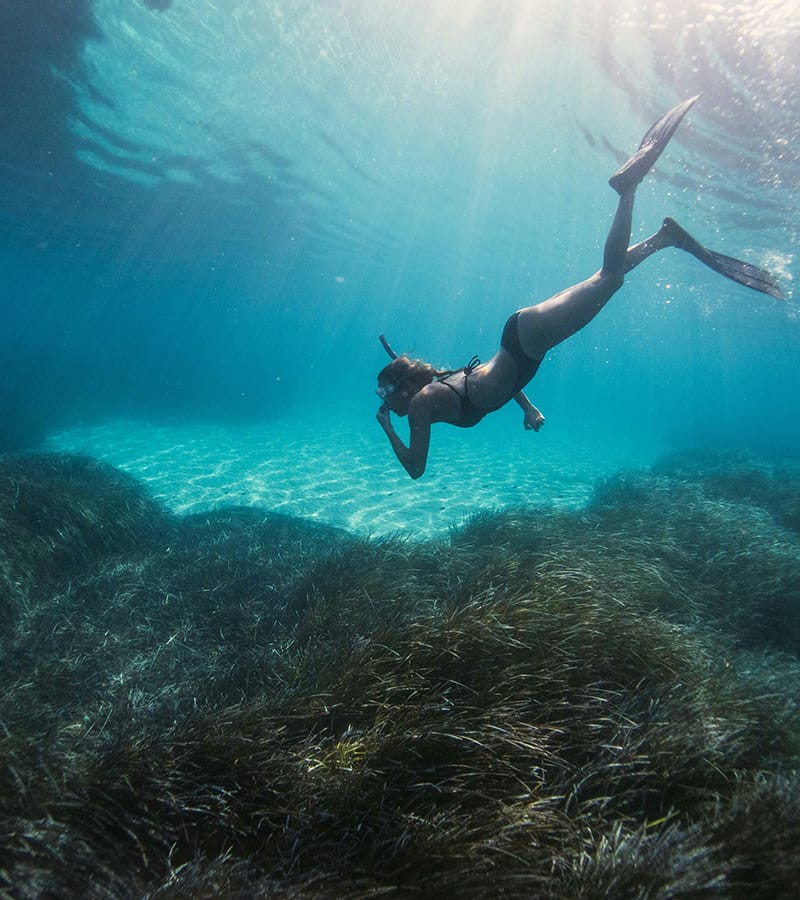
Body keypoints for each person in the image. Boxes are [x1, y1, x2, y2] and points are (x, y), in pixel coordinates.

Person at [376, 95, 784, 479]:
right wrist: (529, 406)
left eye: (385, 392)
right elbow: (492, 384)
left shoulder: (421, 404)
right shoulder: (436, 385)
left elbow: (416, 468)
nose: (384, 402)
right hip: (522, 337)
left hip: (526, 343)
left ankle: (627, 189)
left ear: (404, 388)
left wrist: (386, 428)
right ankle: (664, 238)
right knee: (602, 279)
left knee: (610, 279)